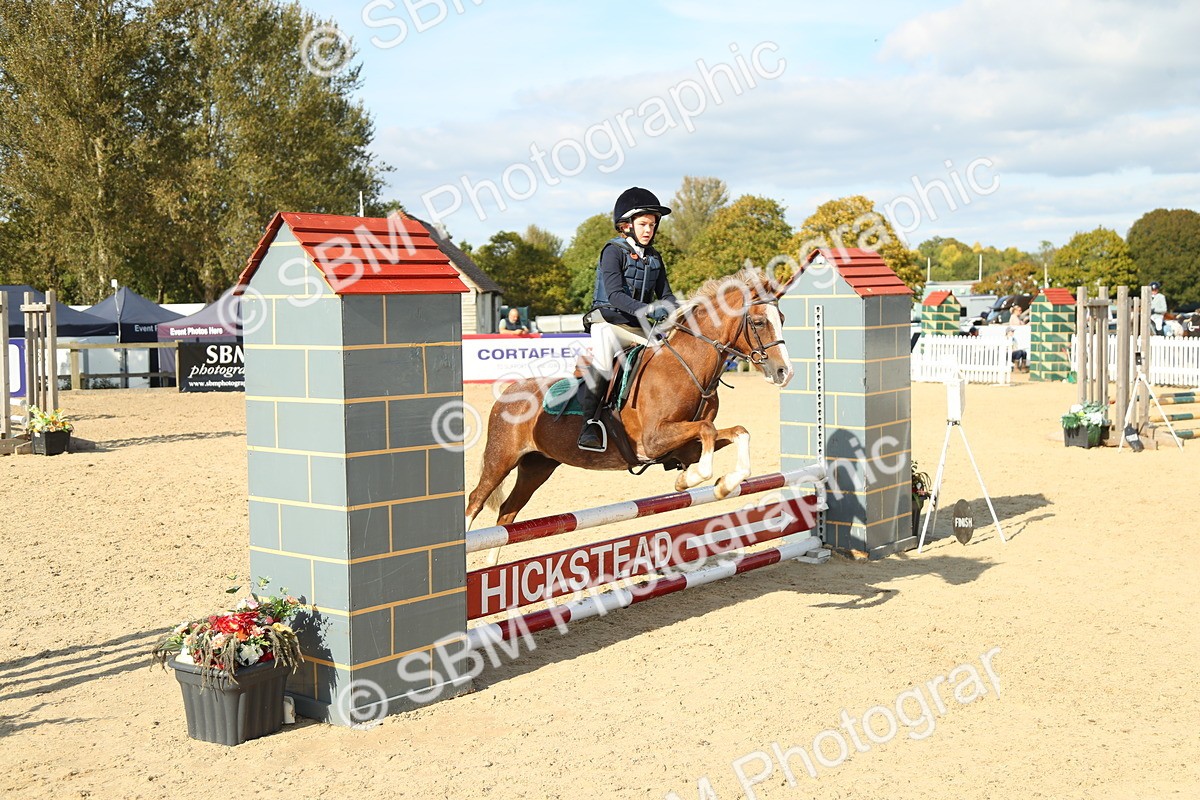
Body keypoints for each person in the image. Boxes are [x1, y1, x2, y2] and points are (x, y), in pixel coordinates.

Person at [576, 186, 677, 450]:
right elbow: (617, 296)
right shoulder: (613, 251)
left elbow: (666, 295)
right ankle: (589, 425)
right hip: (608, 322)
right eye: (643, 224)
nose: (648, 230)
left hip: (637, 326)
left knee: (668, 356)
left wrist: (679, 310)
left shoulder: (655, 257)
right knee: (603, 363)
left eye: (652, 225)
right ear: (626, 225)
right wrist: (647, 310)